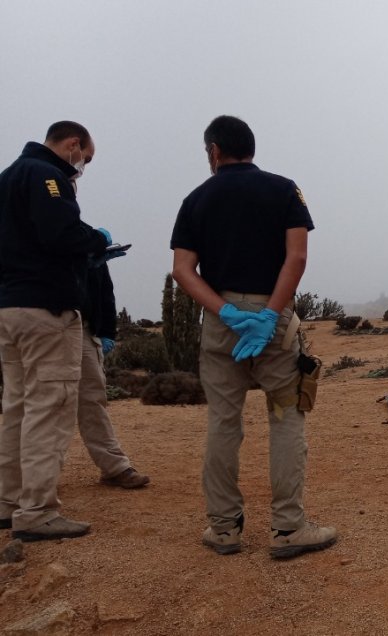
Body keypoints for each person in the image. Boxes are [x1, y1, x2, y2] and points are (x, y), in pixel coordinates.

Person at [170, 115, 336, 559]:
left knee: (223, 423)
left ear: (214, 151)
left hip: (221, 323)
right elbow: (296, 258)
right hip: (274, 319)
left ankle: (223, 529)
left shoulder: (195, 200)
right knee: (286, 418)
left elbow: (183, 271)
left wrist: (225, 310)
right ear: (251, 148)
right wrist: (268, 314)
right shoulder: (284, 190)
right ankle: (288, 529)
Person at [0, 121, 114, 541]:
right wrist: (97, 241)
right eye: (85, 157)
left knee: (17, 406)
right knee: (50, 406)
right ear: (72, 144)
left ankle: (8, 501)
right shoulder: (48, 175)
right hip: (46, 308)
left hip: (9, 306)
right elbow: (61, 234)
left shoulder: (8, 176)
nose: (82, 166)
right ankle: (38, 511)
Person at [77, 260, 150, 490]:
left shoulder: (86, 242)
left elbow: (105, 292)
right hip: (47, 325)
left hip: (83, 330)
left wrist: (107, 331)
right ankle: (33, 480)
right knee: (45, 404)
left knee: (92, 398)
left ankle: (114, 467)